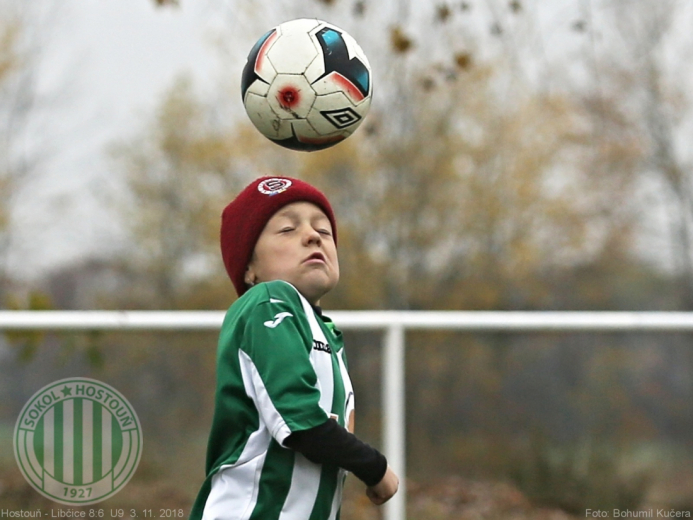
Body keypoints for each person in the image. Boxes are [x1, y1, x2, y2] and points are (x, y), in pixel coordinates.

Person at [190, 176, 399, 520]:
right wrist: (375, 468)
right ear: (249, 269)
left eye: (325, 231)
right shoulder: (269, 301)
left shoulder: (326, 333)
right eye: (287, 229)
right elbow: (302, 423)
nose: (314, 235)